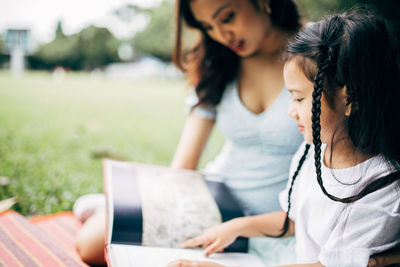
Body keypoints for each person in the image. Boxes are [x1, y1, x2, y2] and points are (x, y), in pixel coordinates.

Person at [75, 0, 304, 265]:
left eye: (228, 17)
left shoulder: (319, 49)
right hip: (213, 204)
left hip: (279, 222)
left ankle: (110, 205)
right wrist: (159, 211)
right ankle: (117, 205)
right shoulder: (218, 61)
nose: (221, 35)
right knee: (91, 245)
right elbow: (184, 166)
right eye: (208, 27)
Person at [167, 10, 400, 267]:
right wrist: (237, 227)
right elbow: (294, 219)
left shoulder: (381, 192)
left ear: (350, 98)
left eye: (299, 98)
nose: (291, 111)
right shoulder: (311, 153)